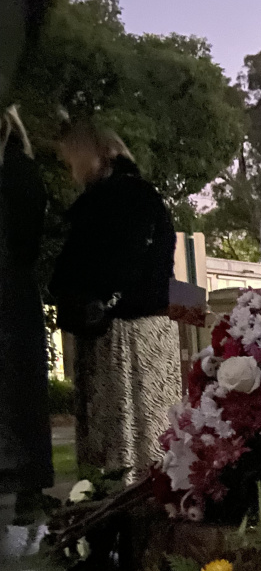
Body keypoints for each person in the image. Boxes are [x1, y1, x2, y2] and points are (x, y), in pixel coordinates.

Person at [50, 121, 181, 480]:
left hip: (121, 333)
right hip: (146, 329)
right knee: (151, 438)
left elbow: (105, 267)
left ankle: (119, 514)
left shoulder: (111, 199)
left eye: (72, 160)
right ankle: (154, 506)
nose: (70, 170)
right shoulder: (142, 195)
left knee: (120, 440)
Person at [0, 108, 53, 512]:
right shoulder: (23, 172)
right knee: (21, 386)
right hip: (15, 290)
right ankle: (27, 485)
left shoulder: (15, 173)